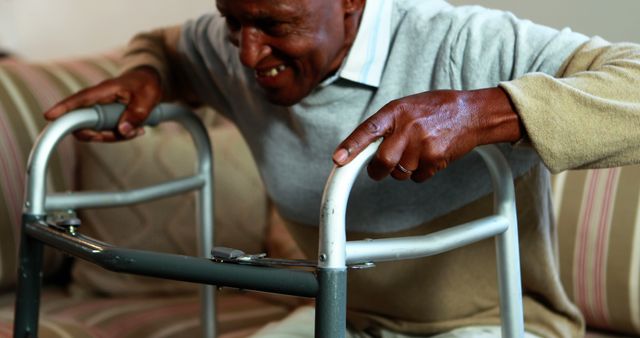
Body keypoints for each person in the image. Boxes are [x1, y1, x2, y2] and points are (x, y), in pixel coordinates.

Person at [44, 0, 640, 337]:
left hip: (496, 324)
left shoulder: (458, 42)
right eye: (233, 20)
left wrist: (486, 110)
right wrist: (147, 74)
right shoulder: (233, 46)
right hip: (343, 319)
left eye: (276, 26)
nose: (248, 54)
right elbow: (167, 45)